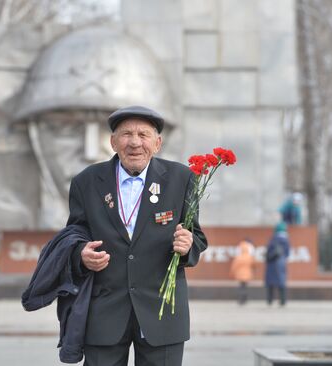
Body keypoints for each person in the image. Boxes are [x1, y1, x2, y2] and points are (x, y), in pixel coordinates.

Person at [67, 105, 208, 366]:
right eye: (126, 134)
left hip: (162, 311)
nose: (135, 143)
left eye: (143, 135)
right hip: (104, 311)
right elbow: (74, 234)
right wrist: (80, 254)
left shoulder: (182, 179)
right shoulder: (86, 182)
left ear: (157, 143)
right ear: (112, 142)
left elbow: (197, 237)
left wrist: (188, 245)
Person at [265, 222, 290, 306]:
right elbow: (287, 253)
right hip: (282, 262)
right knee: (281, 281)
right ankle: (282, 300)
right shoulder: (286, 240)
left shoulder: (273, 239)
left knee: (271, 282)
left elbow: (268, 251)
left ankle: (270, 300)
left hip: (272, 262)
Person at [229, 239, 255, 305]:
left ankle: (241, 300)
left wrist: (231, 273)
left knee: (241, 287)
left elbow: (234, 266)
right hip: (247, 274)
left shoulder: (238, 257)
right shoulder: (249, 257)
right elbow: (253, 265)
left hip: (239, 275)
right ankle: (245, 299)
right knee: (245, 287)